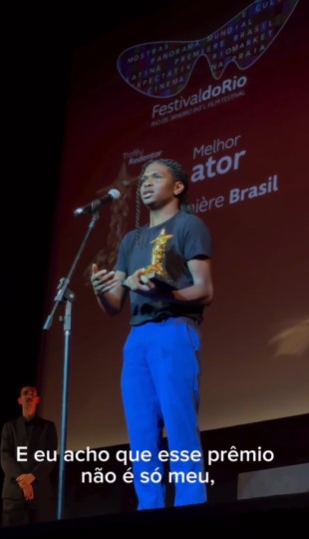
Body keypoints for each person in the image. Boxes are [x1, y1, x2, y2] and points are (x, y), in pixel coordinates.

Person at [91, 158, 213, 510]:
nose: (145, 183)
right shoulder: (133, 239)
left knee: (179, 426)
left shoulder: (189, 226)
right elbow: (115, 303)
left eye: (155, 177)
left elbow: (204, 289)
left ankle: (191, 506)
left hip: (174, 330)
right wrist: (101, 288)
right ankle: (149, 510)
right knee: (141, 435)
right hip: (138, 339)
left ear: (177, 187)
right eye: (142, 179)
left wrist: (166, 293)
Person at [0, 385, 58, 526]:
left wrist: (32, 477)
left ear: (37, 400)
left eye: (33, 393)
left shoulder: (48, 427)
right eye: (25, 393)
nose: (29, 396)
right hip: (14, 494)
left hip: (40, 493)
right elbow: (5, 457)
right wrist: (23, 481)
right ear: (20, 400)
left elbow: (50, 456)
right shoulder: (9, 427)